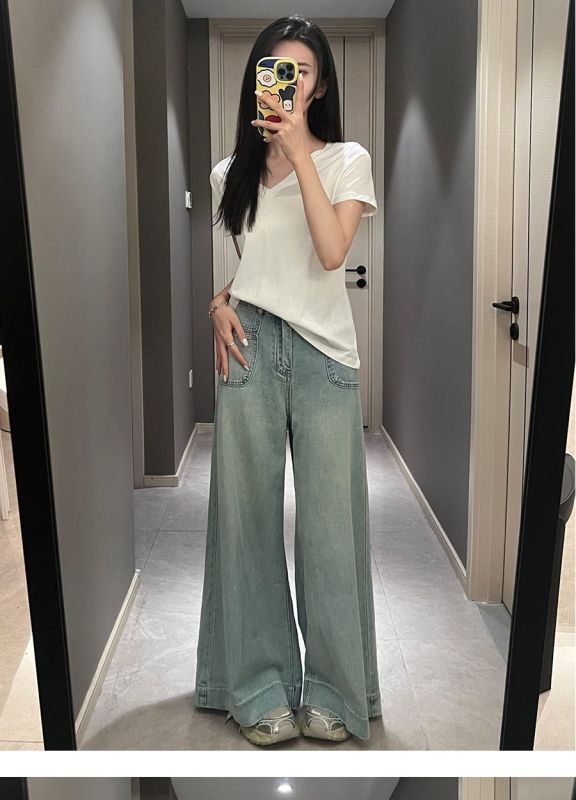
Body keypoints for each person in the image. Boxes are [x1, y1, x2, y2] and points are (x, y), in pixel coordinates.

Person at [195, 14, 381, 746]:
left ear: (321, 86)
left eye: (302, 71)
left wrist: (299, 151)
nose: (289, 81)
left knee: (332, 529)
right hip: (248, 349)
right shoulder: (228, 175)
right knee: (245, 523)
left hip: (325, 357)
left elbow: (331, 253)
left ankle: (335, 692)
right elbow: (257, 269)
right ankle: (257, 686)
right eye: (277, 68)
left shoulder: (346, 160)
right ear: (257, 79)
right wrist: (218, 302)